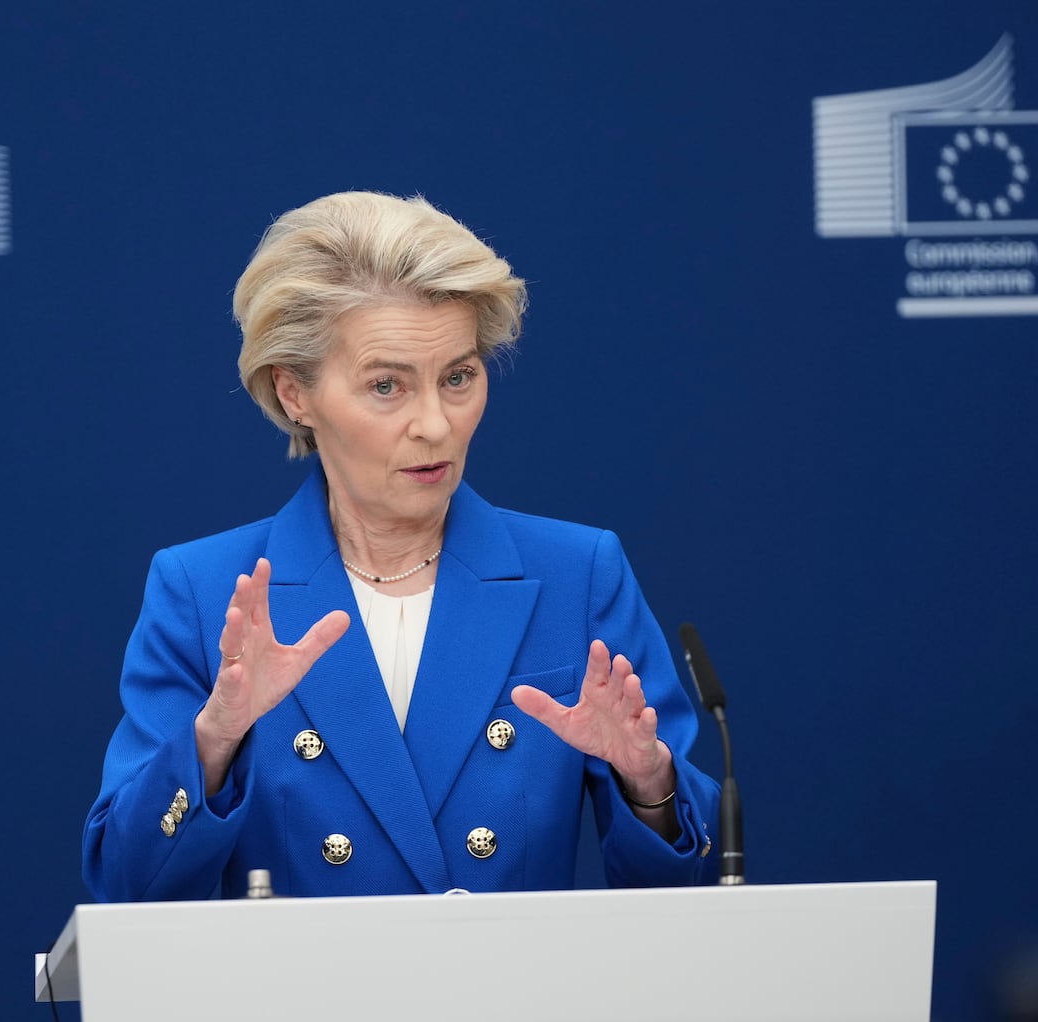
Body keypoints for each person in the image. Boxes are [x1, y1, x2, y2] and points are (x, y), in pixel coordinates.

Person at [82, 191, 720, 901]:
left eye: (459, 377)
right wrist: (214, 738)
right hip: (306, 1008)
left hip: (516, 1006)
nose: (435, 424)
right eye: (387, 385)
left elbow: (689, 896)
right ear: (295, 393)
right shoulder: (204, 593)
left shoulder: (576, 576)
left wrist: (649, 783)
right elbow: (128, 890)